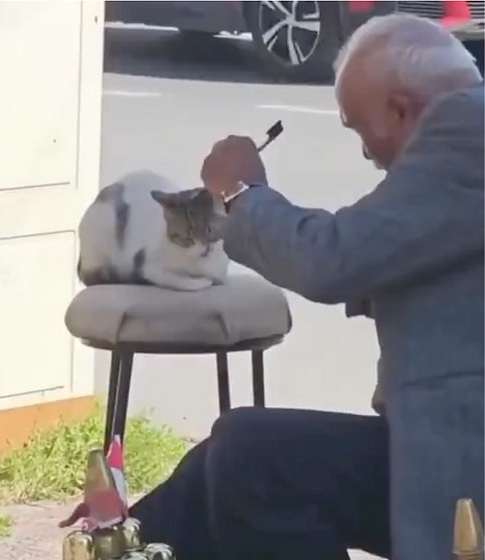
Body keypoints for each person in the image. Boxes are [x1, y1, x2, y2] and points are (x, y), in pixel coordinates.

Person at [129, 14, 483, 560]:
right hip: (445, 448)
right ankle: (123, 539)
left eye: (362, 131)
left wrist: (241, 191)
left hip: (462, 467)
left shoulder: (467, 131)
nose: (368, 154)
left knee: (253, 456)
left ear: (400, 109)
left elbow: (334, 258)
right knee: (229, 456)